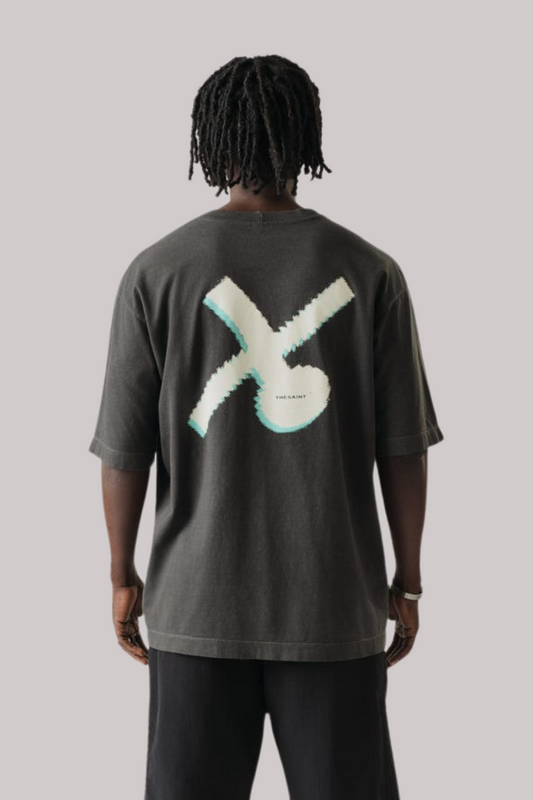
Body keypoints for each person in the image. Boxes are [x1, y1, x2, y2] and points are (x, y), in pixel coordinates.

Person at [89, 54, 444, 800]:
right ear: (306, 136)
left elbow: (124, 453)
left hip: (194, 605)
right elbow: (403, 449)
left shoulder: (156, 271)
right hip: (331, 603)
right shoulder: (370, 271)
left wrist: (122, 576)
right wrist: (407, 582)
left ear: (210, 140)